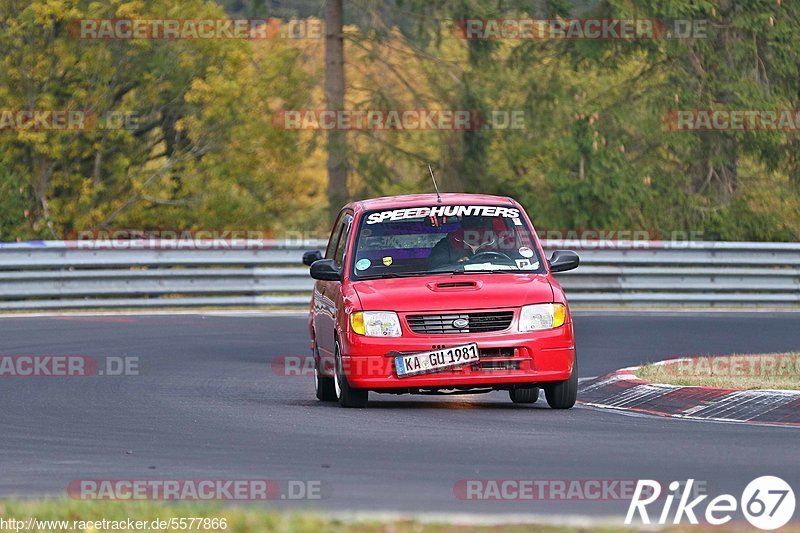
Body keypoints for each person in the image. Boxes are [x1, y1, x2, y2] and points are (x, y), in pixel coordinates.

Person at [427, 216, 501, 269]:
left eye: (482, 224)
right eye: (472, 223)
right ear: (463, 226)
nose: (478, 228)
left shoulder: (502, 245)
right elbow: (433, 270)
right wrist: (456, 266)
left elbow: (511, 266)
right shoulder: (445, 246)